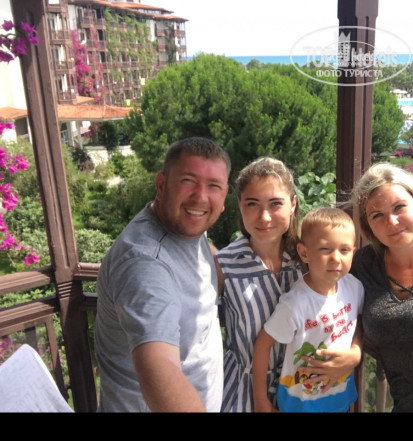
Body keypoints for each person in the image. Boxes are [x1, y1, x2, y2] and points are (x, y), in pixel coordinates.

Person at [94, 137, 230, 412]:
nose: (201, 196)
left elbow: (200, 249)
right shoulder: (145, 265)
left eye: (213, 186)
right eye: (188, 181)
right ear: (161, 184)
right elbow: (159, 365)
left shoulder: (186, 225)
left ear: (224, 197)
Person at [253, 207, 364, 412]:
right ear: (304, 253)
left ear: (353, 252)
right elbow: (262, 344)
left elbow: (357, 322)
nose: (336, 258)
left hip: (340, 397)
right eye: (325, 249)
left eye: (344, 250)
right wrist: (260, 400)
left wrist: (355, 352)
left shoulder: (354, 287)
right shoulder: (295, 304)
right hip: (300, 404)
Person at [215, 157, 303, 412]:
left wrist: (352, 354)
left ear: (292, 204)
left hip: (302, 391)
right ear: (240, 206)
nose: (264, 217)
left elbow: (347, 300)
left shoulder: (308, 260)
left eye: (275, 204)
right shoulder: (223, 265)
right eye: (252, 204)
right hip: (242, 394)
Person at [350, 162, 413, 412]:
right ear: (368, 226)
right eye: (377, 215)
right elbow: (339, 307)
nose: (392, 221)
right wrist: (354, 350)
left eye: (399, 207)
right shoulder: (364, 265)